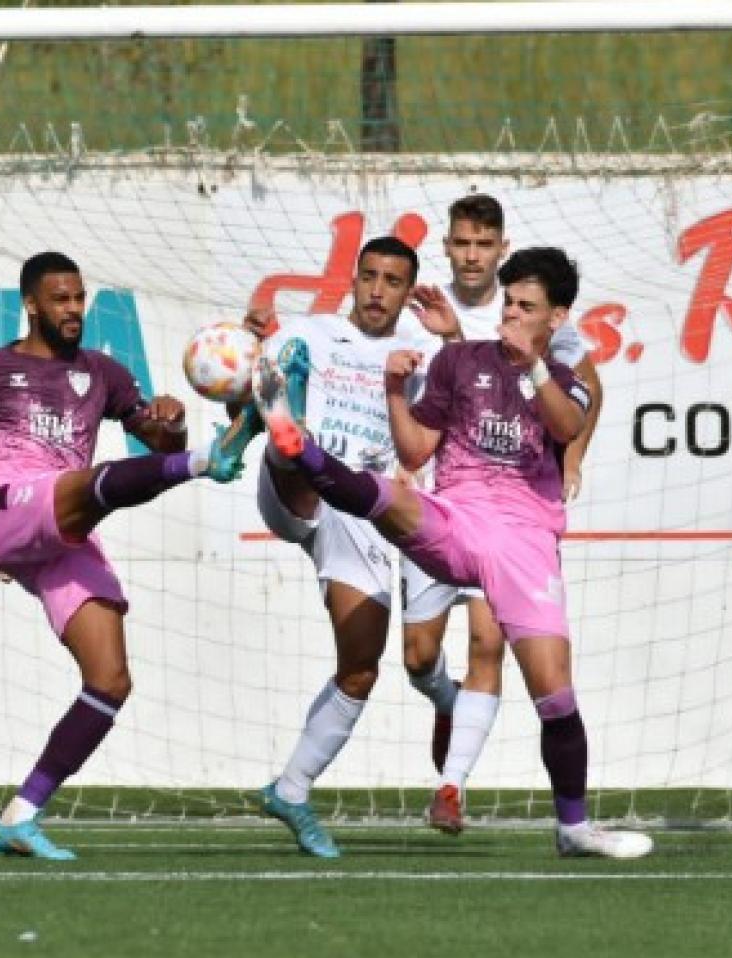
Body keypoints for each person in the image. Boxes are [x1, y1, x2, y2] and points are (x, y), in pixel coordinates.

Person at [253, 246, 651, 859]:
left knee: (554, 692)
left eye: (527, 307)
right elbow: (415, 452)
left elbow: (567, 427)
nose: (512, 314)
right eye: (509, 303)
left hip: (524, 541)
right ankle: (298, 447)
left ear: (556, 318)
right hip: (459, 518)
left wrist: (532, 365)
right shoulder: (459, 361)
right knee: (389, 494)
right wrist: (393, 391)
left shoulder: (562, 377)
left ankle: (573, 828)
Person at [0, 250, 249, 860]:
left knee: (110, 679)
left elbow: (152, 437)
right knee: (88, 483)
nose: (73, 309)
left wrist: (170, 425)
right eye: (60, 299)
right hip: (10, 508)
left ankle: (20, 815)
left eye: (79, 298)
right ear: (31, 305)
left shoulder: (102, 372)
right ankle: (208, 464)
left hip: (65, 529)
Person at [402, 195, 605, 835]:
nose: (472, 254)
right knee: (416, 656)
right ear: (446, 245)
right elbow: (467, 381)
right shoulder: (425, 307)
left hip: (506, 514)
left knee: (488, 642)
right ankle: (446, 701)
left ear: (499, 247)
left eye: (483, 244)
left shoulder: (541, 314)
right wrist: (446, 343)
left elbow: (586, 392)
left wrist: (571, 460)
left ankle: (452, 785)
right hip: (442, 496)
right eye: (462, 242)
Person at [240, 236, 438, 858]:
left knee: (361, 665)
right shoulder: (309, 333)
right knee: (292, 442)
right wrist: (250, 368)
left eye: (392, 281)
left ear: (407, 291)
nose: (377, 291)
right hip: (297, 488)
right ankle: (290, 430)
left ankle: (291, 790)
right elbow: (243, 387)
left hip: (362, 507)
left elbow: (435, 431)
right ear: (353, 280)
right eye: (369, 276)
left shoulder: (422, 354)